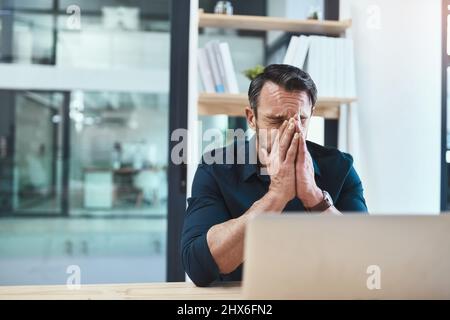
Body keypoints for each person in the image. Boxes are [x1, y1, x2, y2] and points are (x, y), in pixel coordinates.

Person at [181, 64, 368, 287]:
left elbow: (365, 258)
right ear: (252, 118)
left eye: (302, 119)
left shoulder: (340, 167)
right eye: (276, 121)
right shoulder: (216, 168)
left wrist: (314, 197)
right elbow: (198, 266)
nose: (292, 130)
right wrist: (276, 195)